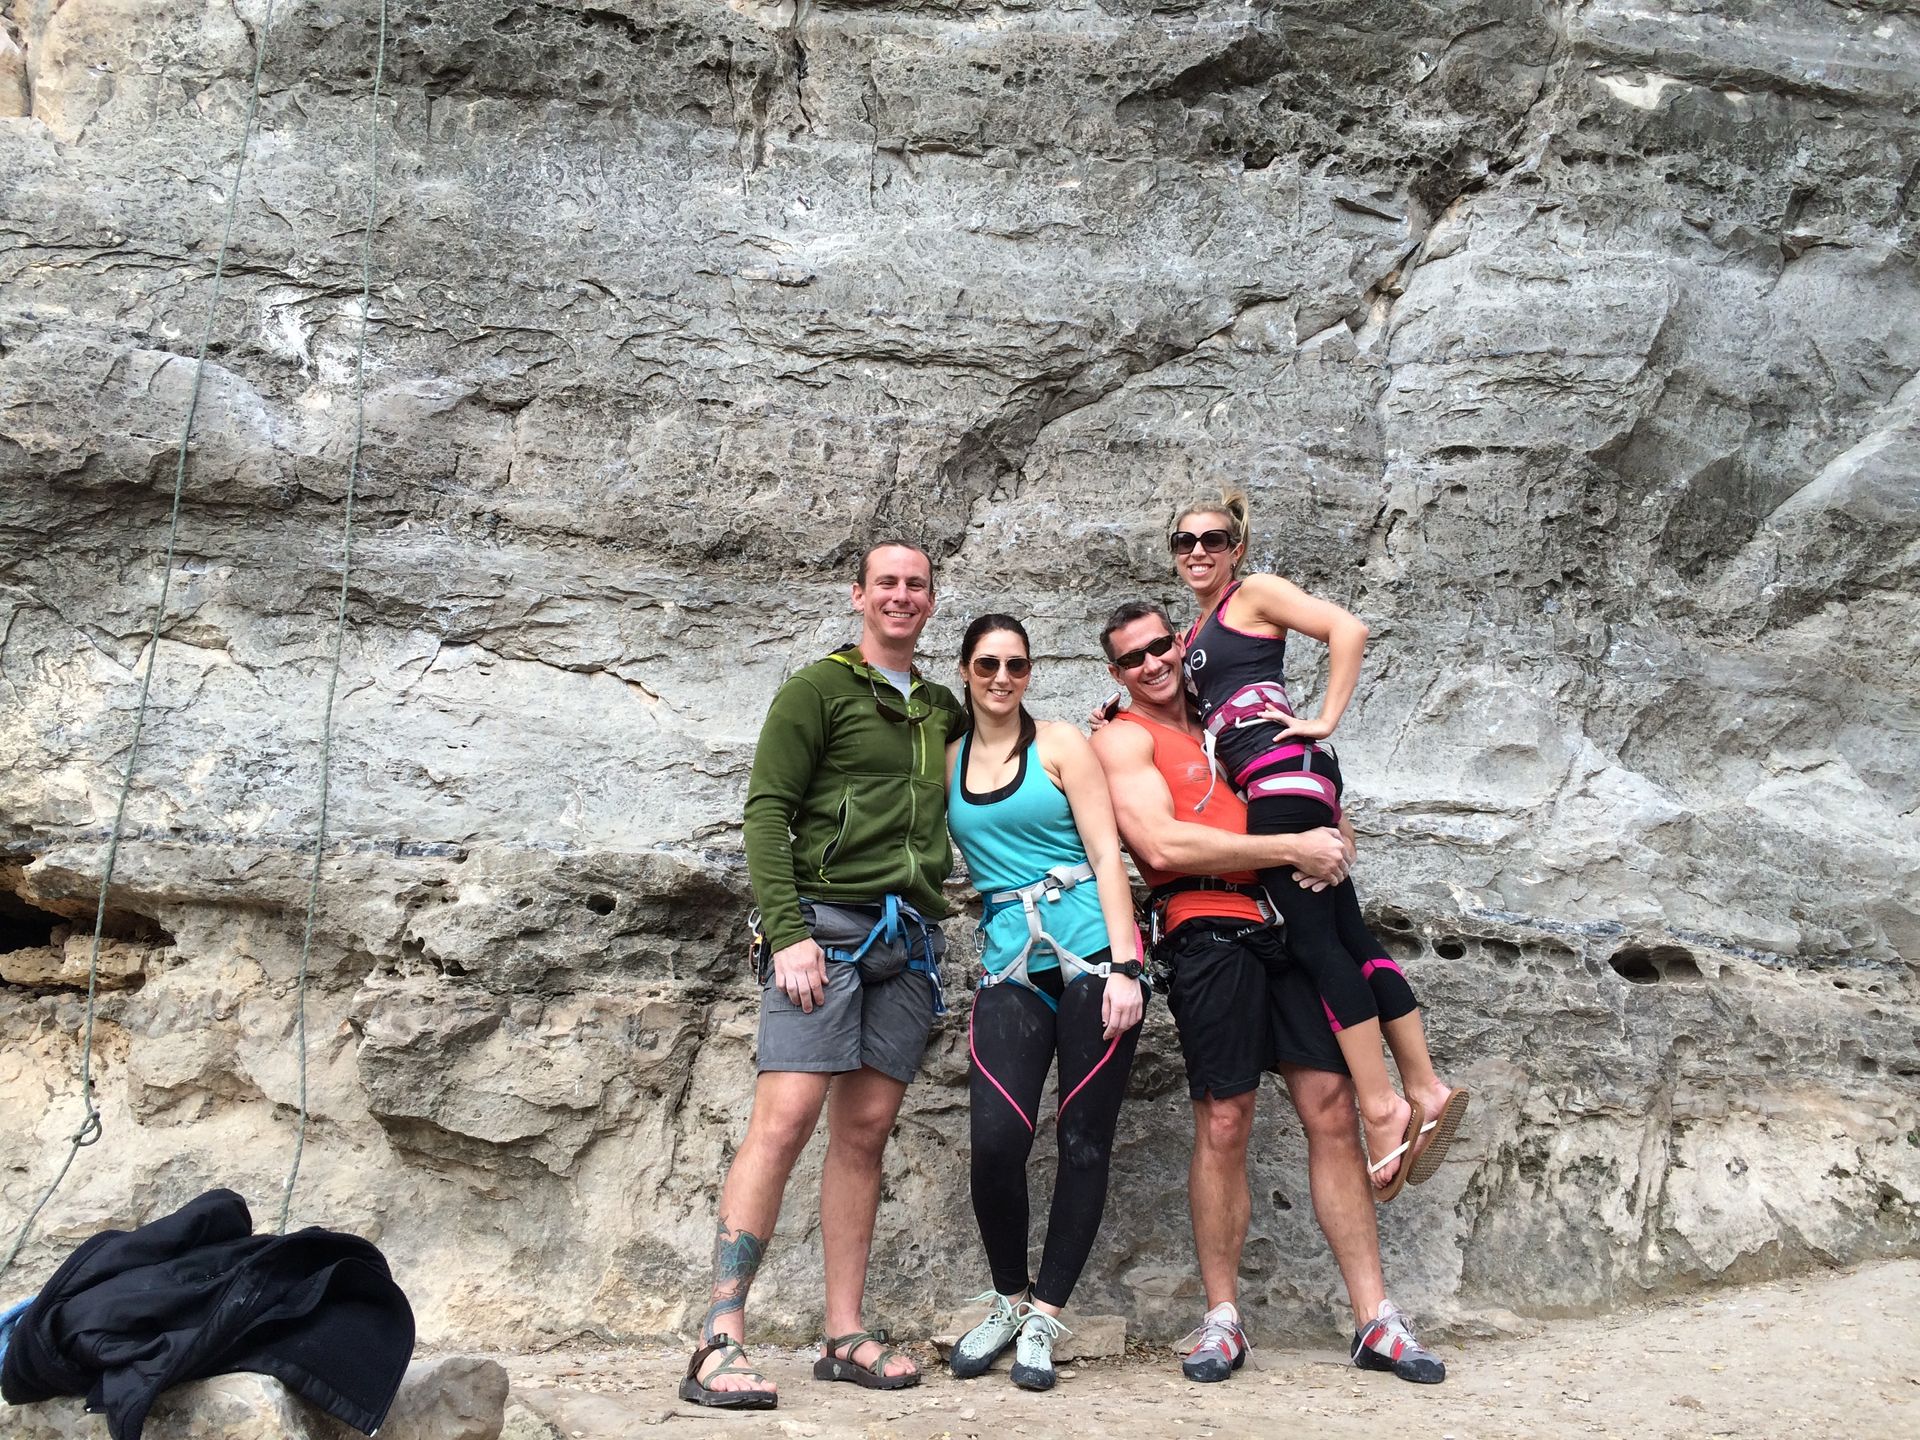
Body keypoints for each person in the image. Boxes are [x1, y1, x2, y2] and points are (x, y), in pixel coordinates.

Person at [1091, 601, 1448, 1385]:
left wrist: (1330, 838)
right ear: (1114, 674)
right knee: (1226, 1117)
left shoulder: (1238, 718)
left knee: (1330, 1107)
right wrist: (1288, 845)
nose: (1151, 665)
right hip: (1206, 923)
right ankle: (1222, 1319)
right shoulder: (1121, 736)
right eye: (1131, 659)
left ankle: (1375, 1319)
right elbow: (1160, 843)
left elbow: (1323, 815)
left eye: (1161, 646)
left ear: (1184, 643)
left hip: (1290, 925)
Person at [680, 542, 966, 1411]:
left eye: (916, 584)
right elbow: (767, 809)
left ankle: (843, 1334)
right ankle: (719, 1337)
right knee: (786, 1118)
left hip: (907, 940)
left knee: (868, 1127)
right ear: (859, 594)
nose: (902, 596)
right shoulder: (817, 689)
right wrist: (788, 931)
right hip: (826, 933)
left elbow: (1003, 761)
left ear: (930, 599)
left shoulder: (941, 709)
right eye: (887, 582)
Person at [1170, 491, 1466, 1197]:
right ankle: (1424, 1087)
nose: (1198, 551)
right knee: (1352, 938)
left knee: (1315, 945)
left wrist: (1325, 718)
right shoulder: (1201, 627)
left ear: (1237, 546)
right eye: (1184, 542)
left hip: (1282, 779)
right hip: (1295, 781)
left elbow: (1348, 629)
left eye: (1213, 538)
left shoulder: (1254, 593)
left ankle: (1381, 1106)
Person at [943, 614, 1147, 1393]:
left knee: (1084, 1141)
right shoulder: (950, 760)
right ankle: (1006, 1298)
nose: (1002, 677)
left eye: (1017, 665)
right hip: (1010, 967)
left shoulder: (1061, 744)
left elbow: (1105, 853)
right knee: (996, 1139)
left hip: (1094, 956)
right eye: (988, 663)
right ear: (965, 670)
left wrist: (1128, 967)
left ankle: (1045, 1316)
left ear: (1031, 672)